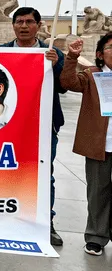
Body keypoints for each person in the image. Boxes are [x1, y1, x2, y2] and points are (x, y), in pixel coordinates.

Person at [0, 6, 66, 246]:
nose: (24, 26)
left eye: (29, 22)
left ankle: (47, 223)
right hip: (6, 124)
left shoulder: (51, 52)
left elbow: (65, 86)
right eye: (19, 22)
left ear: (38, 25)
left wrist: (56, 65)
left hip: (42, 125)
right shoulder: (2, 53)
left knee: (43, 174)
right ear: (13, 25)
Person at [60, 35, 112, 256]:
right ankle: (96, 237)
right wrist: (72, 57)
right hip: (99, 145)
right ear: (100, 55)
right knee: (97, 192)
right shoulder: (93, 76)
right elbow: (68, 82)